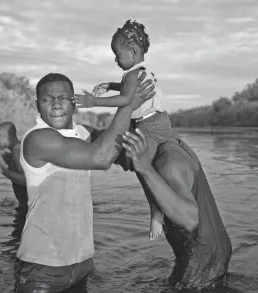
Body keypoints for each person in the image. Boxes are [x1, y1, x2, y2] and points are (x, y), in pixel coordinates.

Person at [12, 72, 155, 293]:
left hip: (82, 263)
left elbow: (123, 146)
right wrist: (127, 104)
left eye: (63, 98)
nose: (56, 105)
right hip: (43, 269)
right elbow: (101, 157)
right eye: (47, 99)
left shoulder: (84, 133)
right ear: (37, 105)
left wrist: (143, 109)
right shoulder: (37, 139)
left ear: (74, 102)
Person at [74, 19, 171, 240]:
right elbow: (126, 88)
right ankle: (158, 208)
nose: (116, 60)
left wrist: (93, 102)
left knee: (142, 166)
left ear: (133, 51)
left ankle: (157, 212)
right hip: (152, 121)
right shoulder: (137, 73)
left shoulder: (133, 75)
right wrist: (110, 85)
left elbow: (127, 99)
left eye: (118, 54)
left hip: (150, 125)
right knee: (140, 162)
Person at [119, 129, 232, 291]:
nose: (120, 166)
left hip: (200, 257)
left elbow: (190, 219)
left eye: (117, 159)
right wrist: (155, 215)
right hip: (211, 250)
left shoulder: (168, 164)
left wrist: (145, 169)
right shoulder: (168, 144)